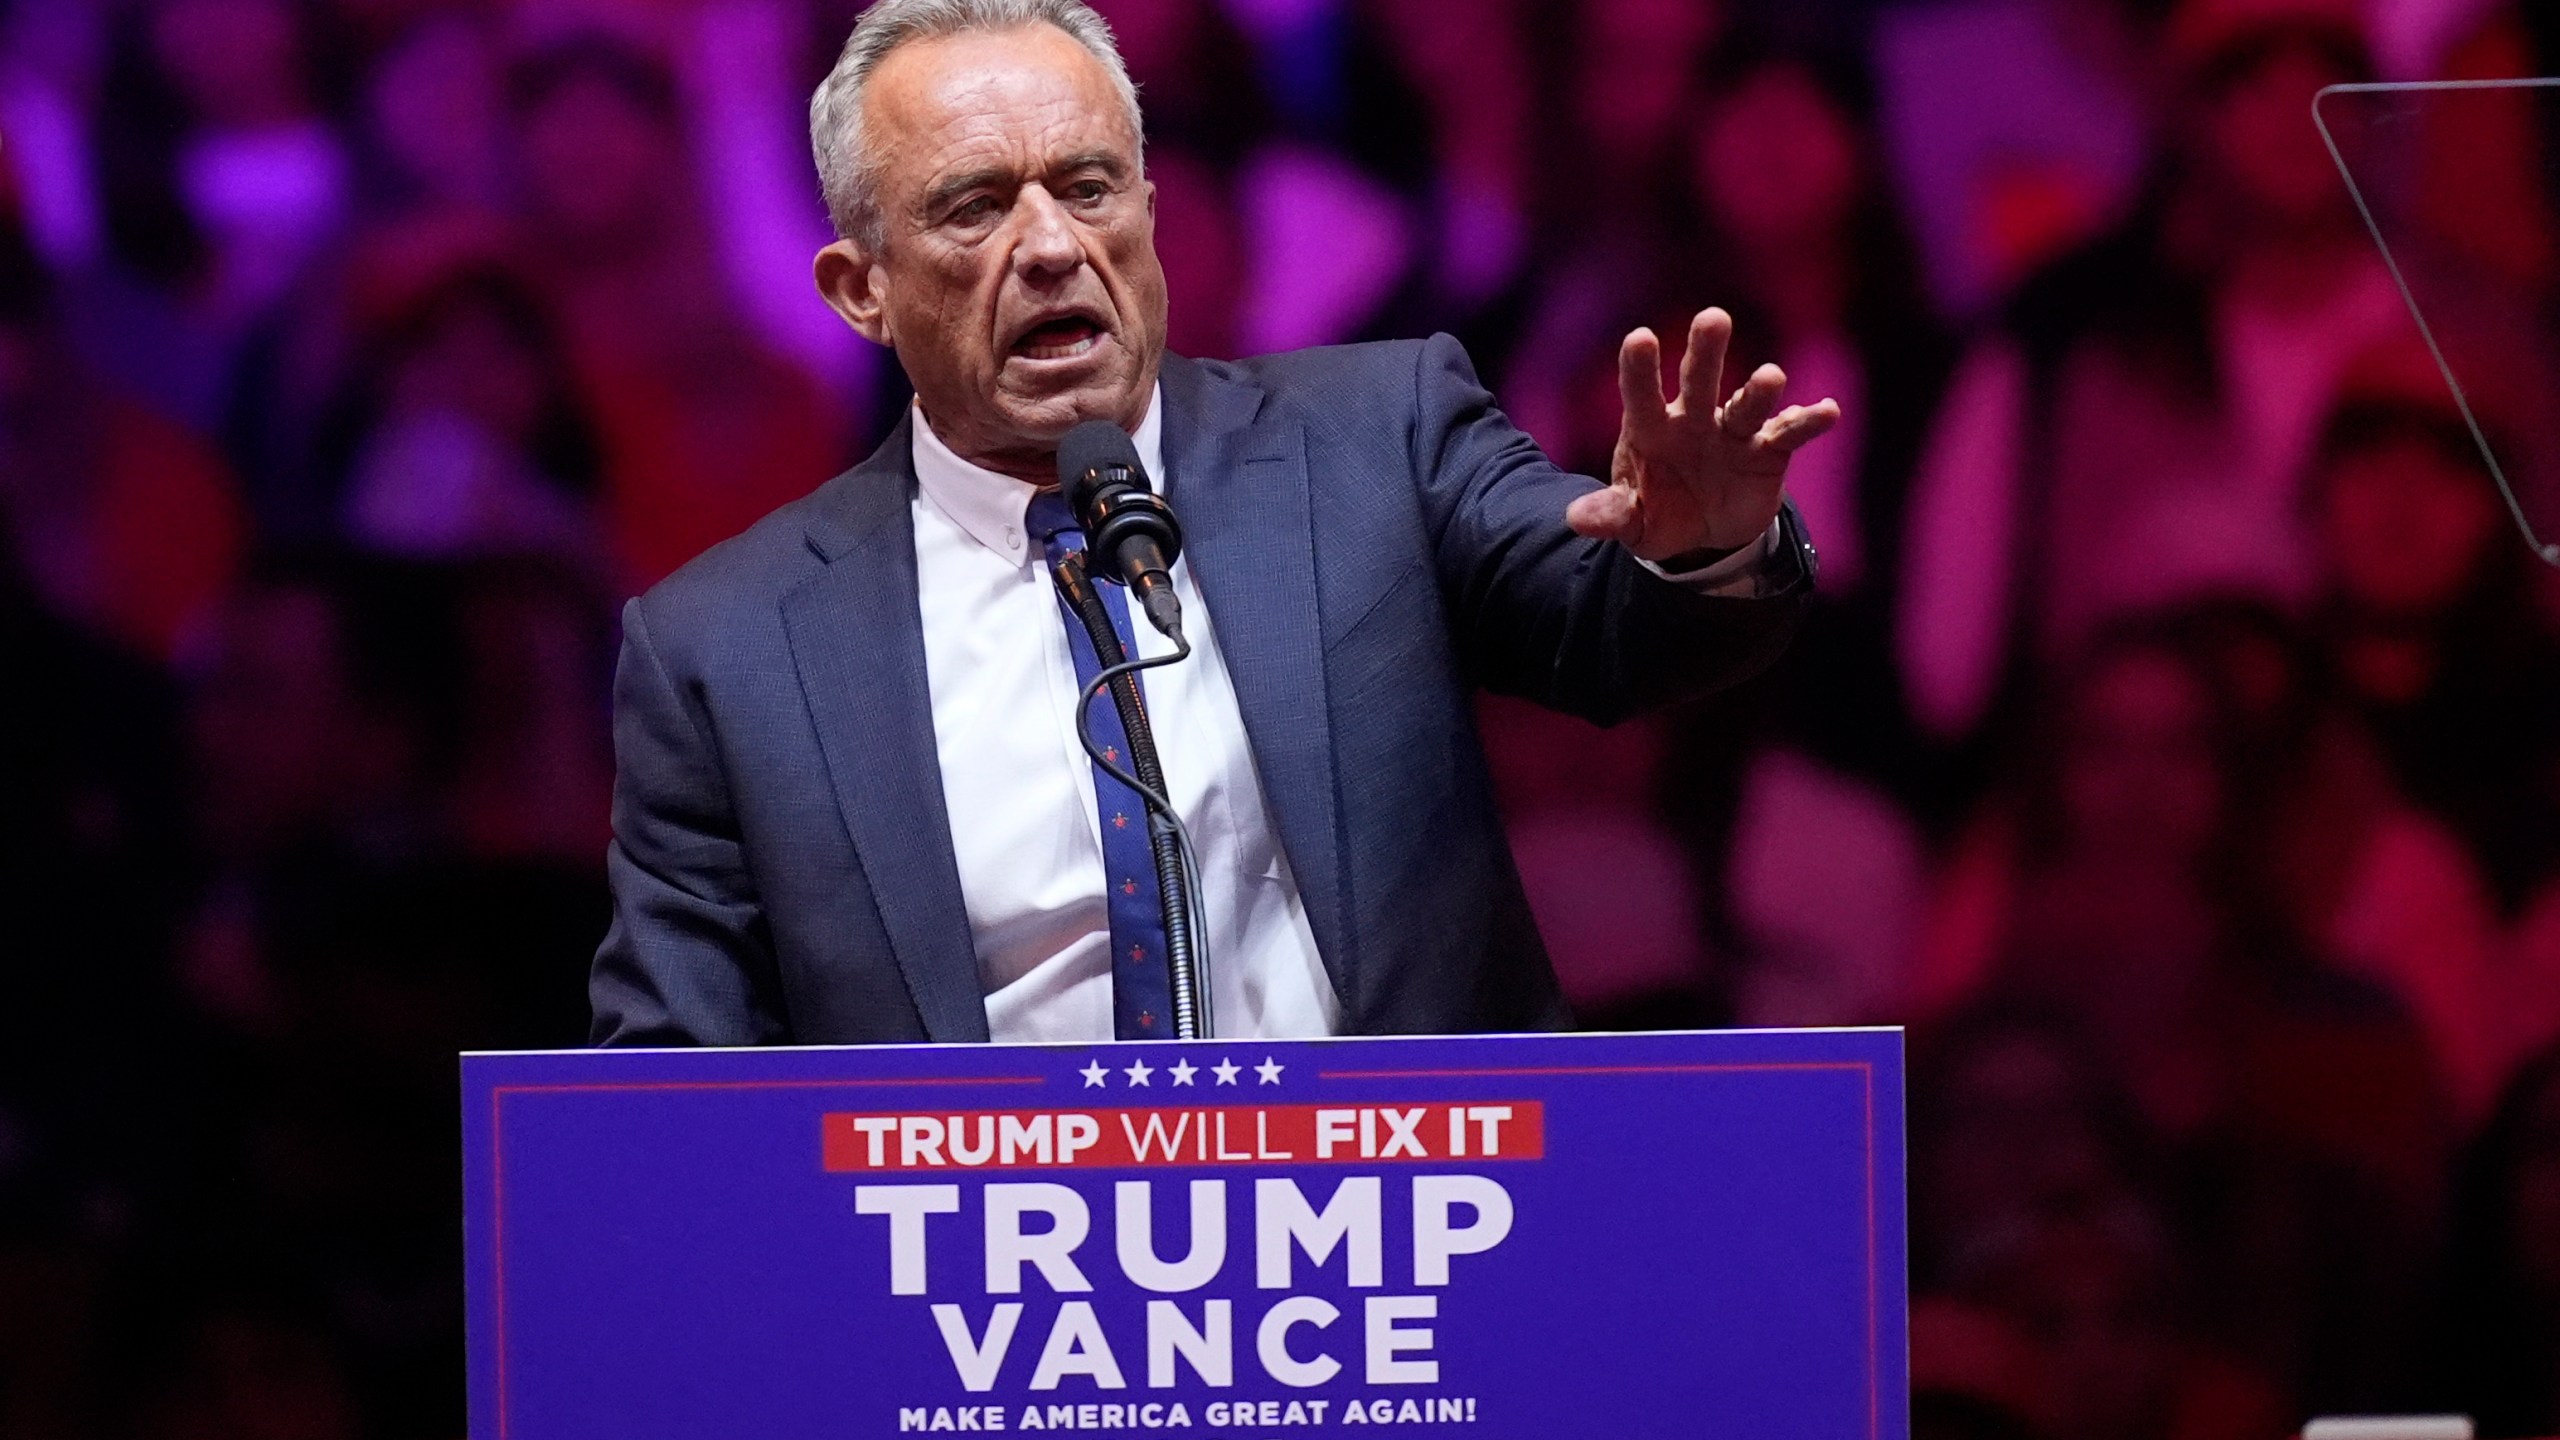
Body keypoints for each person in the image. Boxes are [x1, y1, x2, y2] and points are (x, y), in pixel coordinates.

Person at [589, 0, 1834, 1047]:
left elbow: (1610, 629)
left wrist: (1699, 545)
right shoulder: (727, 651)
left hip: (1407, 1261)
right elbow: (669, 1105)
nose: (1051, 247)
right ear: (862, 290)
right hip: (984, 1300)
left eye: (1089, 187)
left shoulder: (1375, 441)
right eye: (975, 207)